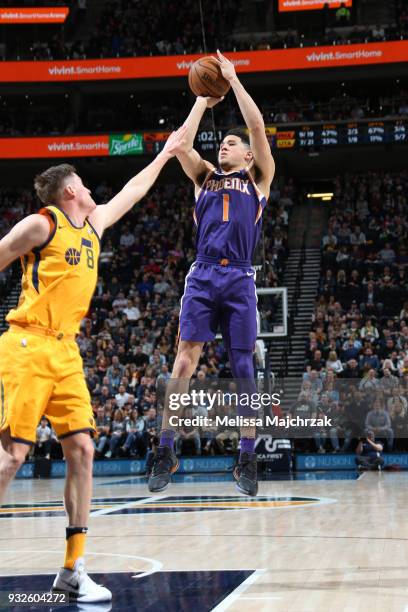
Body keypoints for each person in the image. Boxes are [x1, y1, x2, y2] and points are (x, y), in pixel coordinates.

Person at [0, 126, 186, 603]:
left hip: (66, 351)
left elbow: (135, 189)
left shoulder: (94, 225)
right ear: (69, 191)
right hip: (27, 344)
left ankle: (72, 568)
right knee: (12, 457)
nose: (89, 188)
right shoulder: (41, 224)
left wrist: (168, 152)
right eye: (82, 182)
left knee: (82, 450)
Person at [148, 50, 275, 498]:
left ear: (246, 155)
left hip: (240, 277)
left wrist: (234, 80)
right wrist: (204, 97)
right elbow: (180, 144)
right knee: (184, 359)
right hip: (202, 276)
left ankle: (246, 456)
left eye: (231, 144)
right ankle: (165, 448)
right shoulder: (203, 176)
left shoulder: (259, 177)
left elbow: (257, 127)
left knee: (243, 368)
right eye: (222, 142)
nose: (225, 145)